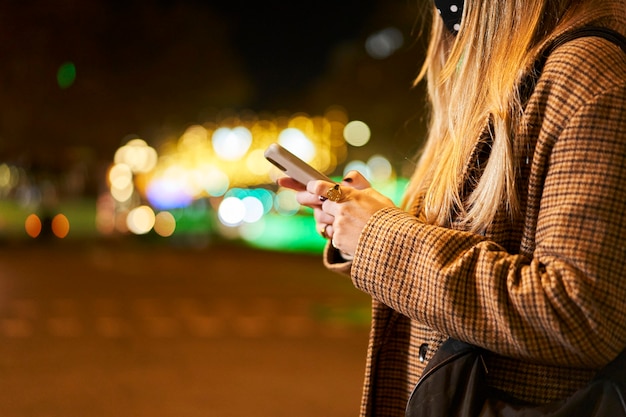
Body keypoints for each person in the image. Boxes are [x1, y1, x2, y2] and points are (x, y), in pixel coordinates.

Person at [278, 0, 626, 415]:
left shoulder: (588, 71)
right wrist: (355, 224)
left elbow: (581, 311)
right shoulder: (509, 72)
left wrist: (381, 237)